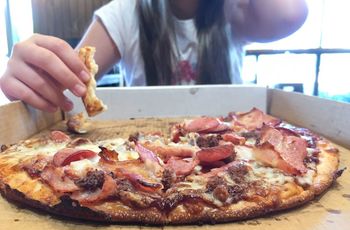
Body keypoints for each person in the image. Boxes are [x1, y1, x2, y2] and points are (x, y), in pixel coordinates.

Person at [0, 0, 308, 112]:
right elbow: (65, 94)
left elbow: (290, 12)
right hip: (144, 160)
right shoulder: (124, 13)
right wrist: (32, 74)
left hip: (236, 154)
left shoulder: (234, 9)